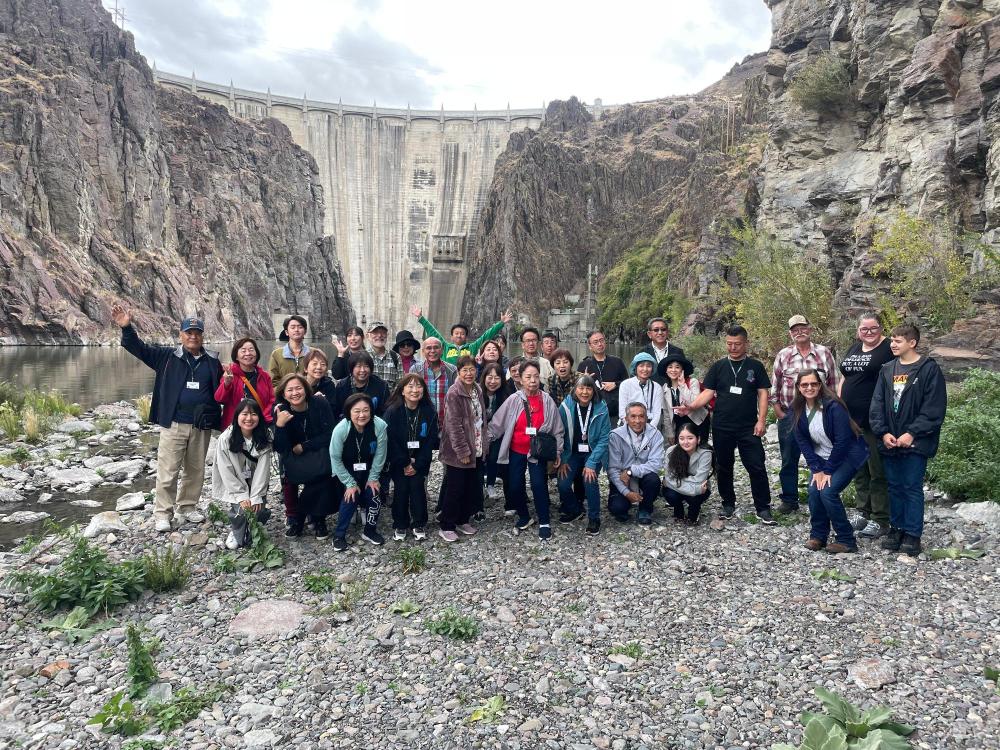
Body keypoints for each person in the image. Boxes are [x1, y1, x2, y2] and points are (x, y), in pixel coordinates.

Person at [111, 304, 222, 532]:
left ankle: (187, 508)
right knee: (168, 470)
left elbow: (222, 390)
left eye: (197, 333)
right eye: (188, 332)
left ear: (202, 336)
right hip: (174, 423)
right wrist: (126, 327)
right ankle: (163, 513)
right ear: (180, 335)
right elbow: (137, 348)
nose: (193, 336)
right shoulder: (166, 357)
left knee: (195, 469)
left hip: (201, 426)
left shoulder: (212, 361)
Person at [677, 325, 774, 523]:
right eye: (729, 344)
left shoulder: (755, 366)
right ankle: (728, 503)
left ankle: (763, 507)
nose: (733, 348)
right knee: (723, 466)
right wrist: (692, 407)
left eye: (737, 344)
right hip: (722, 425)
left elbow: (763, 393)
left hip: (748, 426)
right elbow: (708, 392)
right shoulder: (718, 366)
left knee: (756, 465)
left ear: (746, 343)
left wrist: (762, 420)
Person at [869, 323, 947, 557]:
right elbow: (877, 404)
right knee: (893, 486)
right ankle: (897, 529)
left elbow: (934, 408)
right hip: (890, 440)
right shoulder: (887, 370)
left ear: (912, 343)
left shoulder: (928, 369)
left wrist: (911, 432)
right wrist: (883, 432)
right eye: (891, 340)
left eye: (898, 341)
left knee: (911, 487)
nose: (892, 344)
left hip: (916, 441)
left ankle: (913, 534)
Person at [792, 369, 867, 553]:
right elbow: (802, 440)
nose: (809, 388)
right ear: (798, 388)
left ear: (820, 385)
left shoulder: (833, 406)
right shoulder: (798, 408)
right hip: (821, 458)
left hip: (846, 456)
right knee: (813, 489)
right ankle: (818, 535)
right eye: (804, 385)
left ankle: (846, 539)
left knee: (827, 492)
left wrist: (828, 471)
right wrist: (816, 468)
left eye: (813, 384)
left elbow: (843, 442)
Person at [488, 360, 564, 540]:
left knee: (539, 485)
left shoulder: (547, 400)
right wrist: (483, 440)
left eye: (536, 377)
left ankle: (544, 520)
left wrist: (558, 452)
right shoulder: (514, 399)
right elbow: (497, 423)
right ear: (520, 379)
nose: (533, 380)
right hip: (516, 449)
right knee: (514, 486)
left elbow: (557, 429)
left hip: (537, 452)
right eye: (528, 377)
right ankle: (524, 515)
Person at [771, 315, 839, 514]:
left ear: (809, 329)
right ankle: (790, 499)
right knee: (788, 458)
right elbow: (775, 385)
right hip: (790, 414)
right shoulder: (783, 355)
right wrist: (777, 410)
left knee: (821, 455)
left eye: (802, 328)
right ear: (790, 333)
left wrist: (833, 411)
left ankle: (819, 495)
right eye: (794, 329)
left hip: (820, 412)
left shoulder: (824, 353)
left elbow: (833, 383)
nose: (799, 332)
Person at [838, 313, 894, 539]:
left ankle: (881, 519)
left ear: (881, 328)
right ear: (858, 330)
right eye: (864, 329)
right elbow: (845, 377)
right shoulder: (854, 348)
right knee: (859, 467)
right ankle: (863, 511)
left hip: (875, 419)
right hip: (851, 418)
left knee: (876, 469)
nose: (869, 333)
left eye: (873, 328)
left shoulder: (889, 348)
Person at [273, 374, 336, 539]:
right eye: (290, 390)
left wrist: (305, 446)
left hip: (318, 451)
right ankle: (295, 518)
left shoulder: (320, 403)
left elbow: (331, 434)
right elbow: (280, 447)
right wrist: (280, 425)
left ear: (306, 389)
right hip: (294, 456)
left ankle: (315, 518)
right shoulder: (282, 410)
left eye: (298, 388)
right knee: (290, 479)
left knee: (320, 478)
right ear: (284, 393)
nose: (295, 393)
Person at [329, 393, 389, 550]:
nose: (362, 415)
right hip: (347, 470)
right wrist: (349, 483)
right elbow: (335, 458)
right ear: (349, 412)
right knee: (351, 495)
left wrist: (373, 478)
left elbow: (380, 454)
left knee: (373, 493)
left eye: (366, 410)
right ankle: (339, 535)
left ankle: (370, 531)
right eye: (356, 411)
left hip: (370, 469)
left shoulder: (379, 425)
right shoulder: (341, 429)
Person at [211, 399, 273, 549]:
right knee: (241, 510)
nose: (249, 418)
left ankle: (256, 525)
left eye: (253, 414)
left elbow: (263, 468)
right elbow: (226, 470)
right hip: (235, 479)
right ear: (237, 416)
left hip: (255, 479)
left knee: (257, 507)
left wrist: (256, 495)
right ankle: (236, 531)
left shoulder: (266, 435)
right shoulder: (226, 438)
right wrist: (241, 496)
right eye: (244, 414)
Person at [438, 357, 487, 542]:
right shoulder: (454, 392)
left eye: (472, 369)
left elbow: (481, 419)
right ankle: (446, 524)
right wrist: (462, 451)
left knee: (471, 486)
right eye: (464, 370)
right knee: (455, 488)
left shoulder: (477, 390)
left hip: (477, 445)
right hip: (458, 451)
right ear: (458, 372)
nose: (469, 373)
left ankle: (462, 519)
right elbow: (453, 425)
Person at [384, 374, 437, 541]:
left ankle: (419, 523)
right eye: (410, 386)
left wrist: (418, 463)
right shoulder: (393, 411)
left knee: (417, 489)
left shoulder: (429, 411)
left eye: (419, 386)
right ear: (402, 390)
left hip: (420, 461)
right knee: (400, 490)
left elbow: (430, 440)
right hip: (399, 461)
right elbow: (390, 440)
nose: (415, 390)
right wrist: (406, 462)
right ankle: (400, 524)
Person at [557, 375, 611, 534]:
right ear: (575, 389)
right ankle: (575, 509)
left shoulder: (601, 408)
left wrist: (592, 463)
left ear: (594, 390)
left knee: (589, 479)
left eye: (588, 388)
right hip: (571, 452)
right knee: (563, 483)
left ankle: (594, 517)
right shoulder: (565, 407)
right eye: (581, 388)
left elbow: (604, 438)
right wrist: (563, 458)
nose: (585, 392)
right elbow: (560, 433)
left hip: (593, 452)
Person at [607, 402, 664, 524]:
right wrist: (626, 493)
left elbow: (656, 464)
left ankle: (645, 509)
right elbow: (612, 469)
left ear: (646, 417)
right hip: (622, 479)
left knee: (653, 480)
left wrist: (631, 470)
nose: (637, 421)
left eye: (641, 416)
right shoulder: (616, 436)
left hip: (643, 476)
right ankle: (624, 502)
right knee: (618, 508)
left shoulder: (655, 434)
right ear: (626, 418)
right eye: (633, 416)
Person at [410, 304, 513, 364]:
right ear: (451, 336)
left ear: (466, 337)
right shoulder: (445, 347)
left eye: (462, 334)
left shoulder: (472, 348)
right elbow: (433, 332)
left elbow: (486, 335)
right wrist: (421, 318)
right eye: (456, 333)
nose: (459, 335)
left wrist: (501, 323)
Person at [215, 338, 275, 430]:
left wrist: (263, 418)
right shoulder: (230, 374)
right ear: (236, 356)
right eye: (243, 351)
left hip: (259, 425)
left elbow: (272, 400)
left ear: (256, 354)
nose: (248, 353)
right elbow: (219, 399)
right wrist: (226, 384)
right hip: (234, 427)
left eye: (251, 350)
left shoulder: (264, 376)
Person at [662, 423, 713, 525]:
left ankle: (694, 513)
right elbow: (669, 479)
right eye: (681, 438)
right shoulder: (671, 451)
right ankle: (678, 510)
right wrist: (696, 488)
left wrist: (677, 480)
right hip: (694, 488)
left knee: (697, 495)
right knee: (670, 494)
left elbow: (700, 480)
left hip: (696, 488)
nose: (685, 442)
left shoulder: (706, 453)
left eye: (690, 438)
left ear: (698, 439)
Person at [480, 363, 514, 507]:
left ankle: (491, 484)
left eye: (497, 378)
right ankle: (480, 486)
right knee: (480, 459)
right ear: (484, 378)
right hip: (479, 433)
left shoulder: (506, 396)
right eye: (490, 377)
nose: (493, 381)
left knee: (494, 456)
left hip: (498, 433)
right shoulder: (477, 393)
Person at [578, 329, 628, 424]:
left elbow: (628, 385)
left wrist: (616, 384)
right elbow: (577, 390)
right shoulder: (584, 365)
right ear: (590, 346)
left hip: (615, 413)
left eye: (601, 340)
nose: (600, 344)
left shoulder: (617, 362)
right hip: (592, 412)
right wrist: (584, 380)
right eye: (595, 342)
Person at [658, 353, 708, 445]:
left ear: (682, 370)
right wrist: (670, 433)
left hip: (696, 422)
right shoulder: (665, 388)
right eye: (670, 367)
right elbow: (666, 414)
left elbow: (694, 403)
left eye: (677, 367)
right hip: (678, 424)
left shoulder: (693, 382)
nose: (673, 370)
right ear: (666, 370)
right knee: (681, 453)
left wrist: (682, 386)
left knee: (699, 450)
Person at [411, 338, 457, 428]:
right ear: (423, 351)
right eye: (428, 348)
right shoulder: (415, 370)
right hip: (422, 423)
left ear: (442, 350)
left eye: (436, 347)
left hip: (447, 424)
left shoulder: (452, 370)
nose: (432, 351)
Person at [331, 352, 390, 422]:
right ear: (351, 368)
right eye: (358, 366)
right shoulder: (342, 386)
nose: (362, 370)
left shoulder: (381, 386)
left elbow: (386, 412)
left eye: (366, 366)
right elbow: (337, 412)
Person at [618, 353, 663, 428]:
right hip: (629, 425)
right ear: (635, 368)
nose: (645, 369)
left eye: (648, 366)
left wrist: (649, 430)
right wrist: (633, 428)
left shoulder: (657, 387)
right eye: (641, 366)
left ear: (652, 369)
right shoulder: (625, 384)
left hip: (650, 425)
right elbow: (622, 412)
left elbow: (657, 413)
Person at [638, 317, 686, 385]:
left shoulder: (678, 352)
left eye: (663, 329)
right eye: (656, 330)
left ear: (667, 332)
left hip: (672, 392)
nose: (660, 332)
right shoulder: (642, 352)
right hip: (649, 393)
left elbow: (684, 374)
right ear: (649, 334)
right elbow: (635, 376)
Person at [268, 315, 311, 382]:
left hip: (309, 392)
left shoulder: (313, 353)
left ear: (305, 331)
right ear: (286, 332)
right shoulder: (276, 354)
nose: (296, 330)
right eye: (293, 327)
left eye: (300, 327)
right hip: (284, 392)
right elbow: (273, 382)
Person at [366, 321, 402, 390]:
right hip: (368, 399)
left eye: (383, 332)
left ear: (387, 335)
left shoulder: (395, 357)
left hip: (390, 400)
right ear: (368, 336)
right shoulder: (363, 356)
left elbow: (399, 384)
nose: (379, 335)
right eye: (375, 332)